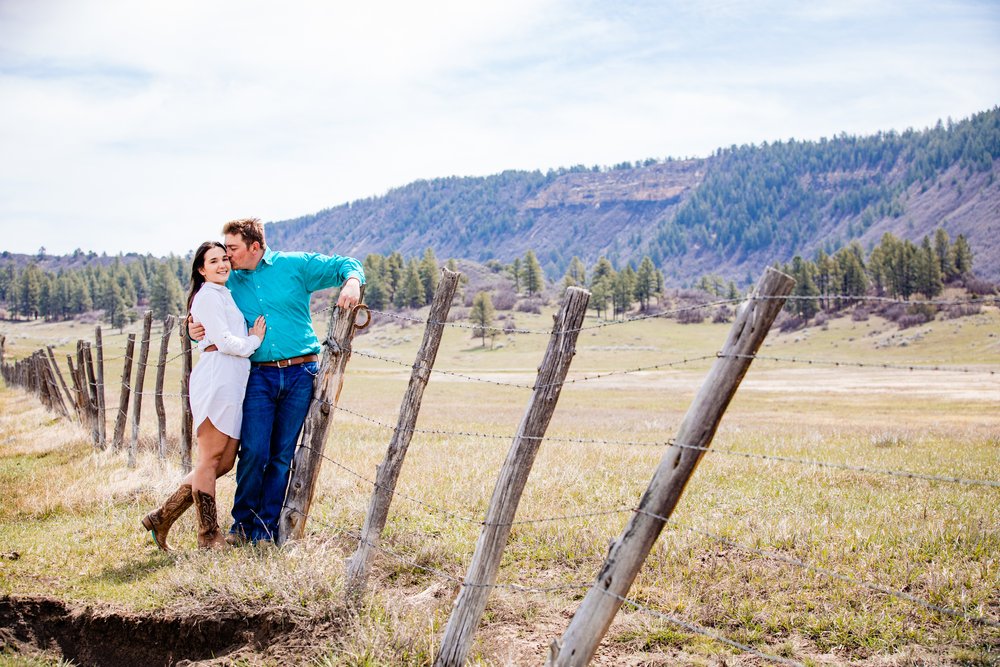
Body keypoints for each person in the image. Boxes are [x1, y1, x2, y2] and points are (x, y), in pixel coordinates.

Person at [190, 218, 363, 545]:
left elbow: (346, 264)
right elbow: (207, 311)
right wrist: (193, 328)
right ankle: (241, 528)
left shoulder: (294, 265)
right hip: (257, 376)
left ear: (255, 247)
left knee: (282, 455)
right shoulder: (230, 282)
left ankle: (265, 532)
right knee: (254, 451)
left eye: (232, 249)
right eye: (224, 251)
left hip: (301, 373)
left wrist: (352, 282)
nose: (227, 257)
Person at [141, 241, 266, 550]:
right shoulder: (208, 296)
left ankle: (162, 517)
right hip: (217, 379)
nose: (223, 264)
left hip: (233, 382)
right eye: (214, 261)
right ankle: (208, 536)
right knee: (210, 459)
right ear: (201, 269)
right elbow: (223, 341)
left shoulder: (223, 293)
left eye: (225, 258)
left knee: (221, 463)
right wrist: (253, 340)